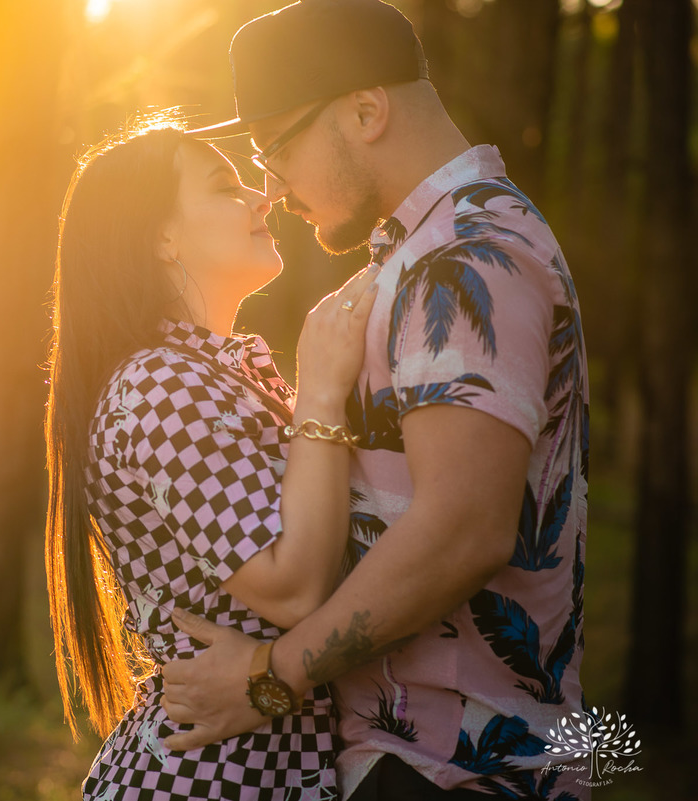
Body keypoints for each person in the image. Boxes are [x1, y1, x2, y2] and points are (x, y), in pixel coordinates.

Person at [159, 2, 591, 800]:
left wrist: (267, 676)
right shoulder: (428, 252)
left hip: (454, 769)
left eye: (275, 148)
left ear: (366, 110)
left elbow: (463, 530)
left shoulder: (466, 259)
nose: (271, 188)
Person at [44, 118, 379, 800]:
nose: (261, 197)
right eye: (225, 186)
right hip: (211, 778)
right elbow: (293, 588)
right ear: (160, 238)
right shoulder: (158, 387)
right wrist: (320, 389)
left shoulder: (205, 376)